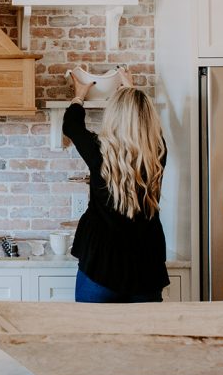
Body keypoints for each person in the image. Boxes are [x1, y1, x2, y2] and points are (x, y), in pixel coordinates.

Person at [62, 69, 169, 303]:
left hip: (100, 266)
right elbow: (150, 131)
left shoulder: (99, 150)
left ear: (113, 115)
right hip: (146, 268)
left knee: (92, 334)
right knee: (145, 338)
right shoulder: (157, 153)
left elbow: (71, 125)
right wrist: (130, 88)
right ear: (149, 117)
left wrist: (79, 95)